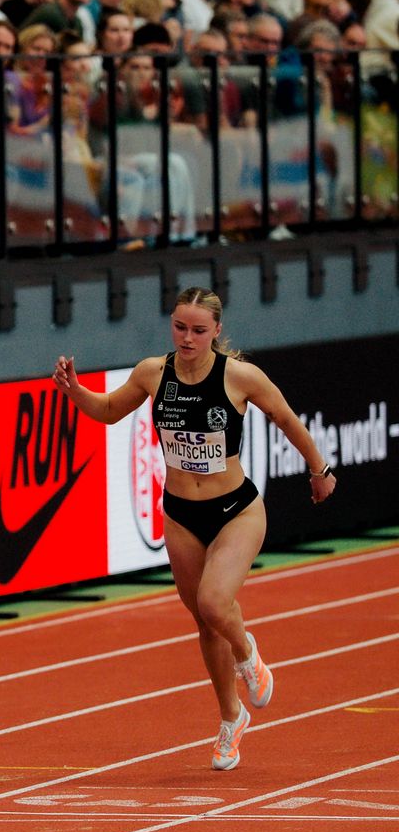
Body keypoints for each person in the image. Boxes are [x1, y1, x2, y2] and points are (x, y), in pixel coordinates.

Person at [52, 288, 338, 771]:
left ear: (217, 332)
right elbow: (107, 411)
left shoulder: (240, 377)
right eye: (180, 327)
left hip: (236, 511)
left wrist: (319, 470)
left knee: (214, 600)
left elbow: (287, 419)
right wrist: (75, 390)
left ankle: (249, 655)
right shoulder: (152, 373)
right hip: (181, 514)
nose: (188, 338)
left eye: (199, 330)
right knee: (204, 621)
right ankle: (231, 718)